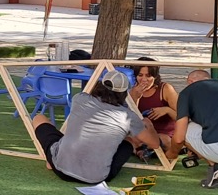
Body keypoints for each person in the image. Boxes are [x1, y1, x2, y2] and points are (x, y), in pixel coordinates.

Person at [29, 71, 161, 184]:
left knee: (38, 118)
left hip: (61, 169)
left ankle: (52, 159)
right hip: (97, 178)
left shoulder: (79, 98)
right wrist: (149, 125)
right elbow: (154, 143)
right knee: (130, 142)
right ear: (123, 93)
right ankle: (57, 157)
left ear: (101, 85)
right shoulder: (128, 116)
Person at [128, 57, 179, 157]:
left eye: (148, 76)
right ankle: (144, 150)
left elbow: (181, 117)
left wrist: (167, 110)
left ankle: (142, 150)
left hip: (165, 135)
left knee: (165, 140)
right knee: (127, 138)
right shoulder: (133, 90)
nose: (144, 80)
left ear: (155, 76)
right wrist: (136, 97)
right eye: (140, 75)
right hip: (145, 133)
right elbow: (131, 119)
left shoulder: (165, 89)